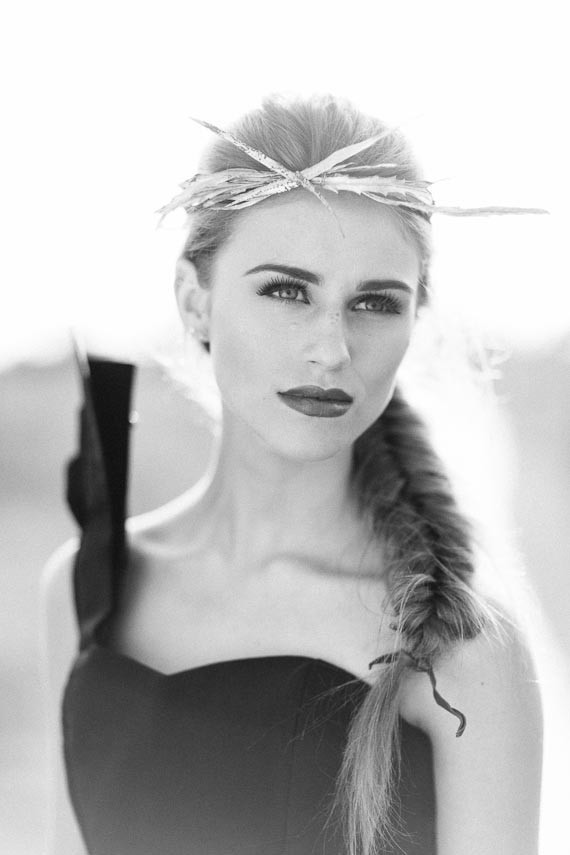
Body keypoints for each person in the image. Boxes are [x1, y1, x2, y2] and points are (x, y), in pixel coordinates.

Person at [42, 94, 544, 855]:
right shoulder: (85, 587)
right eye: (286, 290)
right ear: (195, 301)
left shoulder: (461, 651)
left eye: (375, 302)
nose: (332, 349)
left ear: (415, 321)